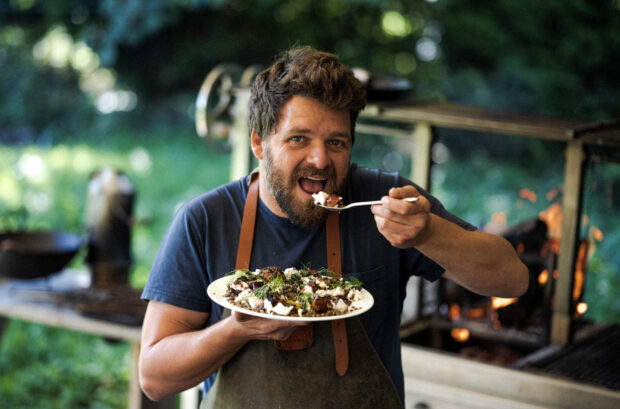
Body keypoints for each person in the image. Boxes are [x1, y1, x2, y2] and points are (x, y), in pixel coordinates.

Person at [139, 46, 528, 408]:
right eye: (299, 139)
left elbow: (512, 280)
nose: (320, 160)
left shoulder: (384, 199)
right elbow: (154, 378)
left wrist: (428, 233)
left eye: (337, 143)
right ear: (259, 143)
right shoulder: (205, 221)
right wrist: (236, 331)